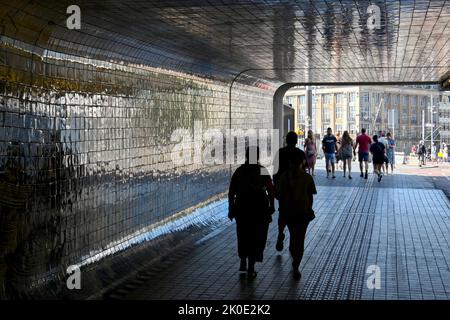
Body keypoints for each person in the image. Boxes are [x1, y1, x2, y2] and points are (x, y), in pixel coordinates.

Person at [228, 146, 275, 279]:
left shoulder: (239, 171)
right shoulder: (262, 171)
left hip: (242, 208)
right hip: (259, 208)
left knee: (243, 235)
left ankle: (243, 259)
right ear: (258, 156)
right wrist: (272, 206)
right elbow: (271, 191)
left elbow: (232, 192)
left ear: (247, 156)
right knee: (257, 237)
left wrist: (231, 208)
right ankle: (251, 267)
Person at [275, 148, 317, 280]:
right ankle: (296, 265)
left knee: (294, 237)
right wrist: (309, 208)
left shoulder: (284, 177)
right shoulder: (307, 178)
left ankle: (289, 246)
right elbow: (311, 196)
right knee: (300, 239)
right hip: (303, 213)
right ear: (302, 162)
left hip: (288, 212)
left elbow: (278, 195)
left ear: (289, 163)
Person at [273, 131, 307, 252]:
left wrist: (275, 188)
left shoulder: (280, 152)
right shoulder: (300, 153)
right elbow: (305, 170)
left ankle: (281, 232)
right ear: (296, 141)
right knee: (296, 216)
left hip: (283, 189)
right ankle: (293, 239)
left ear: (286, 140)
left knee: (282, 212)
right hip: (298, 191)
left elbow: (275, 172)